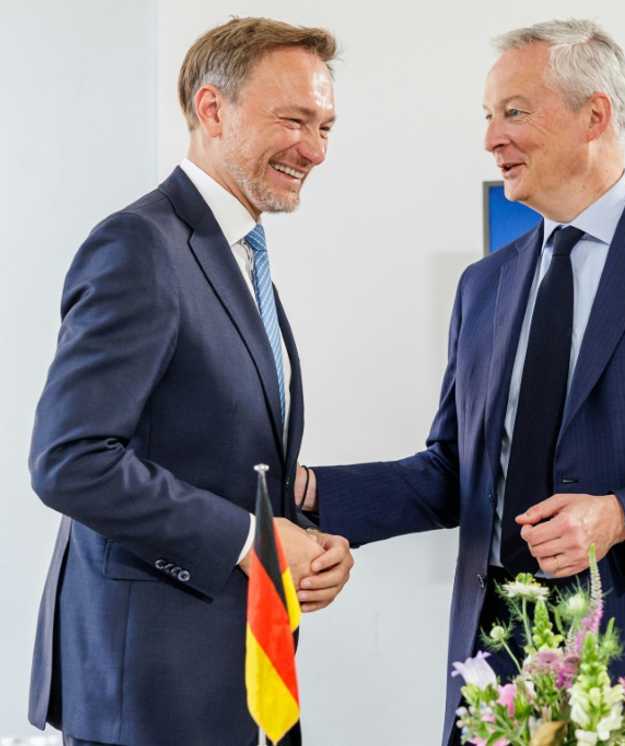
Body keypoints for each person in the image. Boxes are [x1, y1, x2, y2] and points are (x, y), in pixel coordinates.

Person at [297, 18, 625, 744]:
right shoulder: (485, 286)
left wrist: (621, 516)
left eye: (514, 112)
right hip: (498, 658)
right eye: (488, 117)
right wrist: (312, 489)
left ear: (594, 114)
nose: (491, 139)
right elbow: (454, 475)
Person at [27, 17, 354, 746]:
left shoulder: (236, 251)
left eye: (326, 126)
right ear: (213, 109)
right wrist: (251, 542)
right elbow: (70, 462)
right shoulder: (139, 245)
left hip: (235, 678)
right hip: (149, 693)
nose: (315, 149)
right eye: (295, 120)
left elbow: (219, 458)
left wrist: (299, 544)